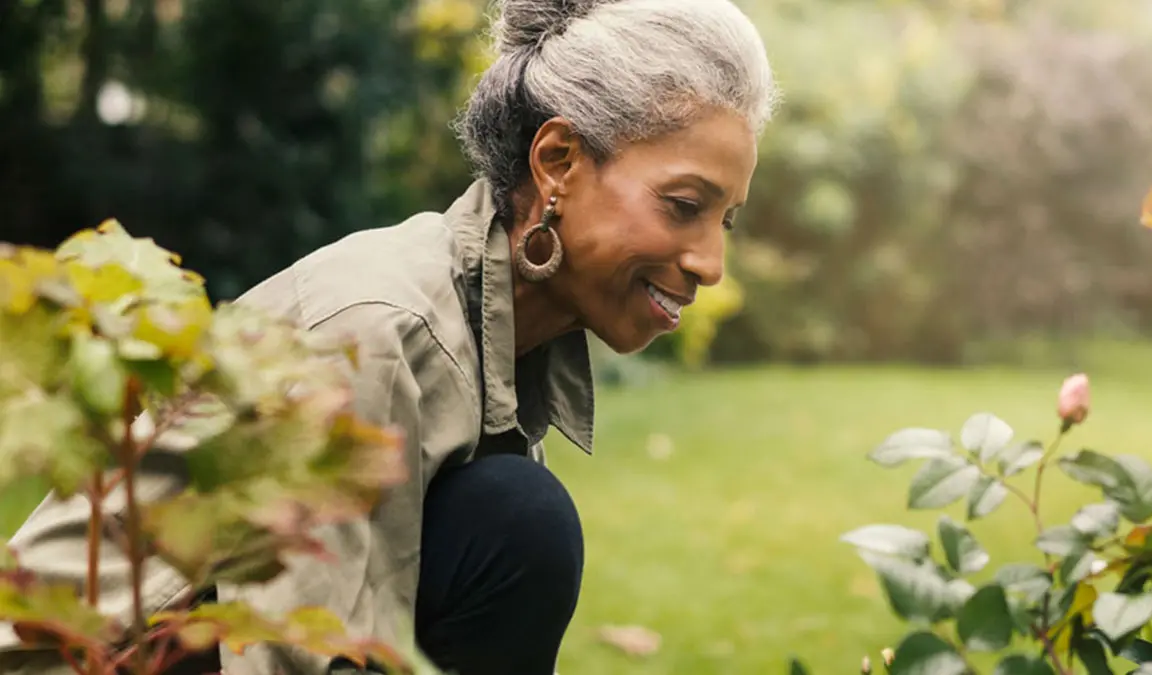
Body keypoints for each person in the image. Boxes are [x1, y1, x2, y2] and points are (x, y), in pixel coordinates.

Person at [0, 0, 776, 673]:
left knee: (510, 522)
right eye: (683, 205)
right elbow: (286, 656)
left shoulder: (501, 335)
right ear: (558, 162)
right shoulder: (383, 329)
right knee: (520, 518)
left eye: (726, 219)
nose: (710, 261)